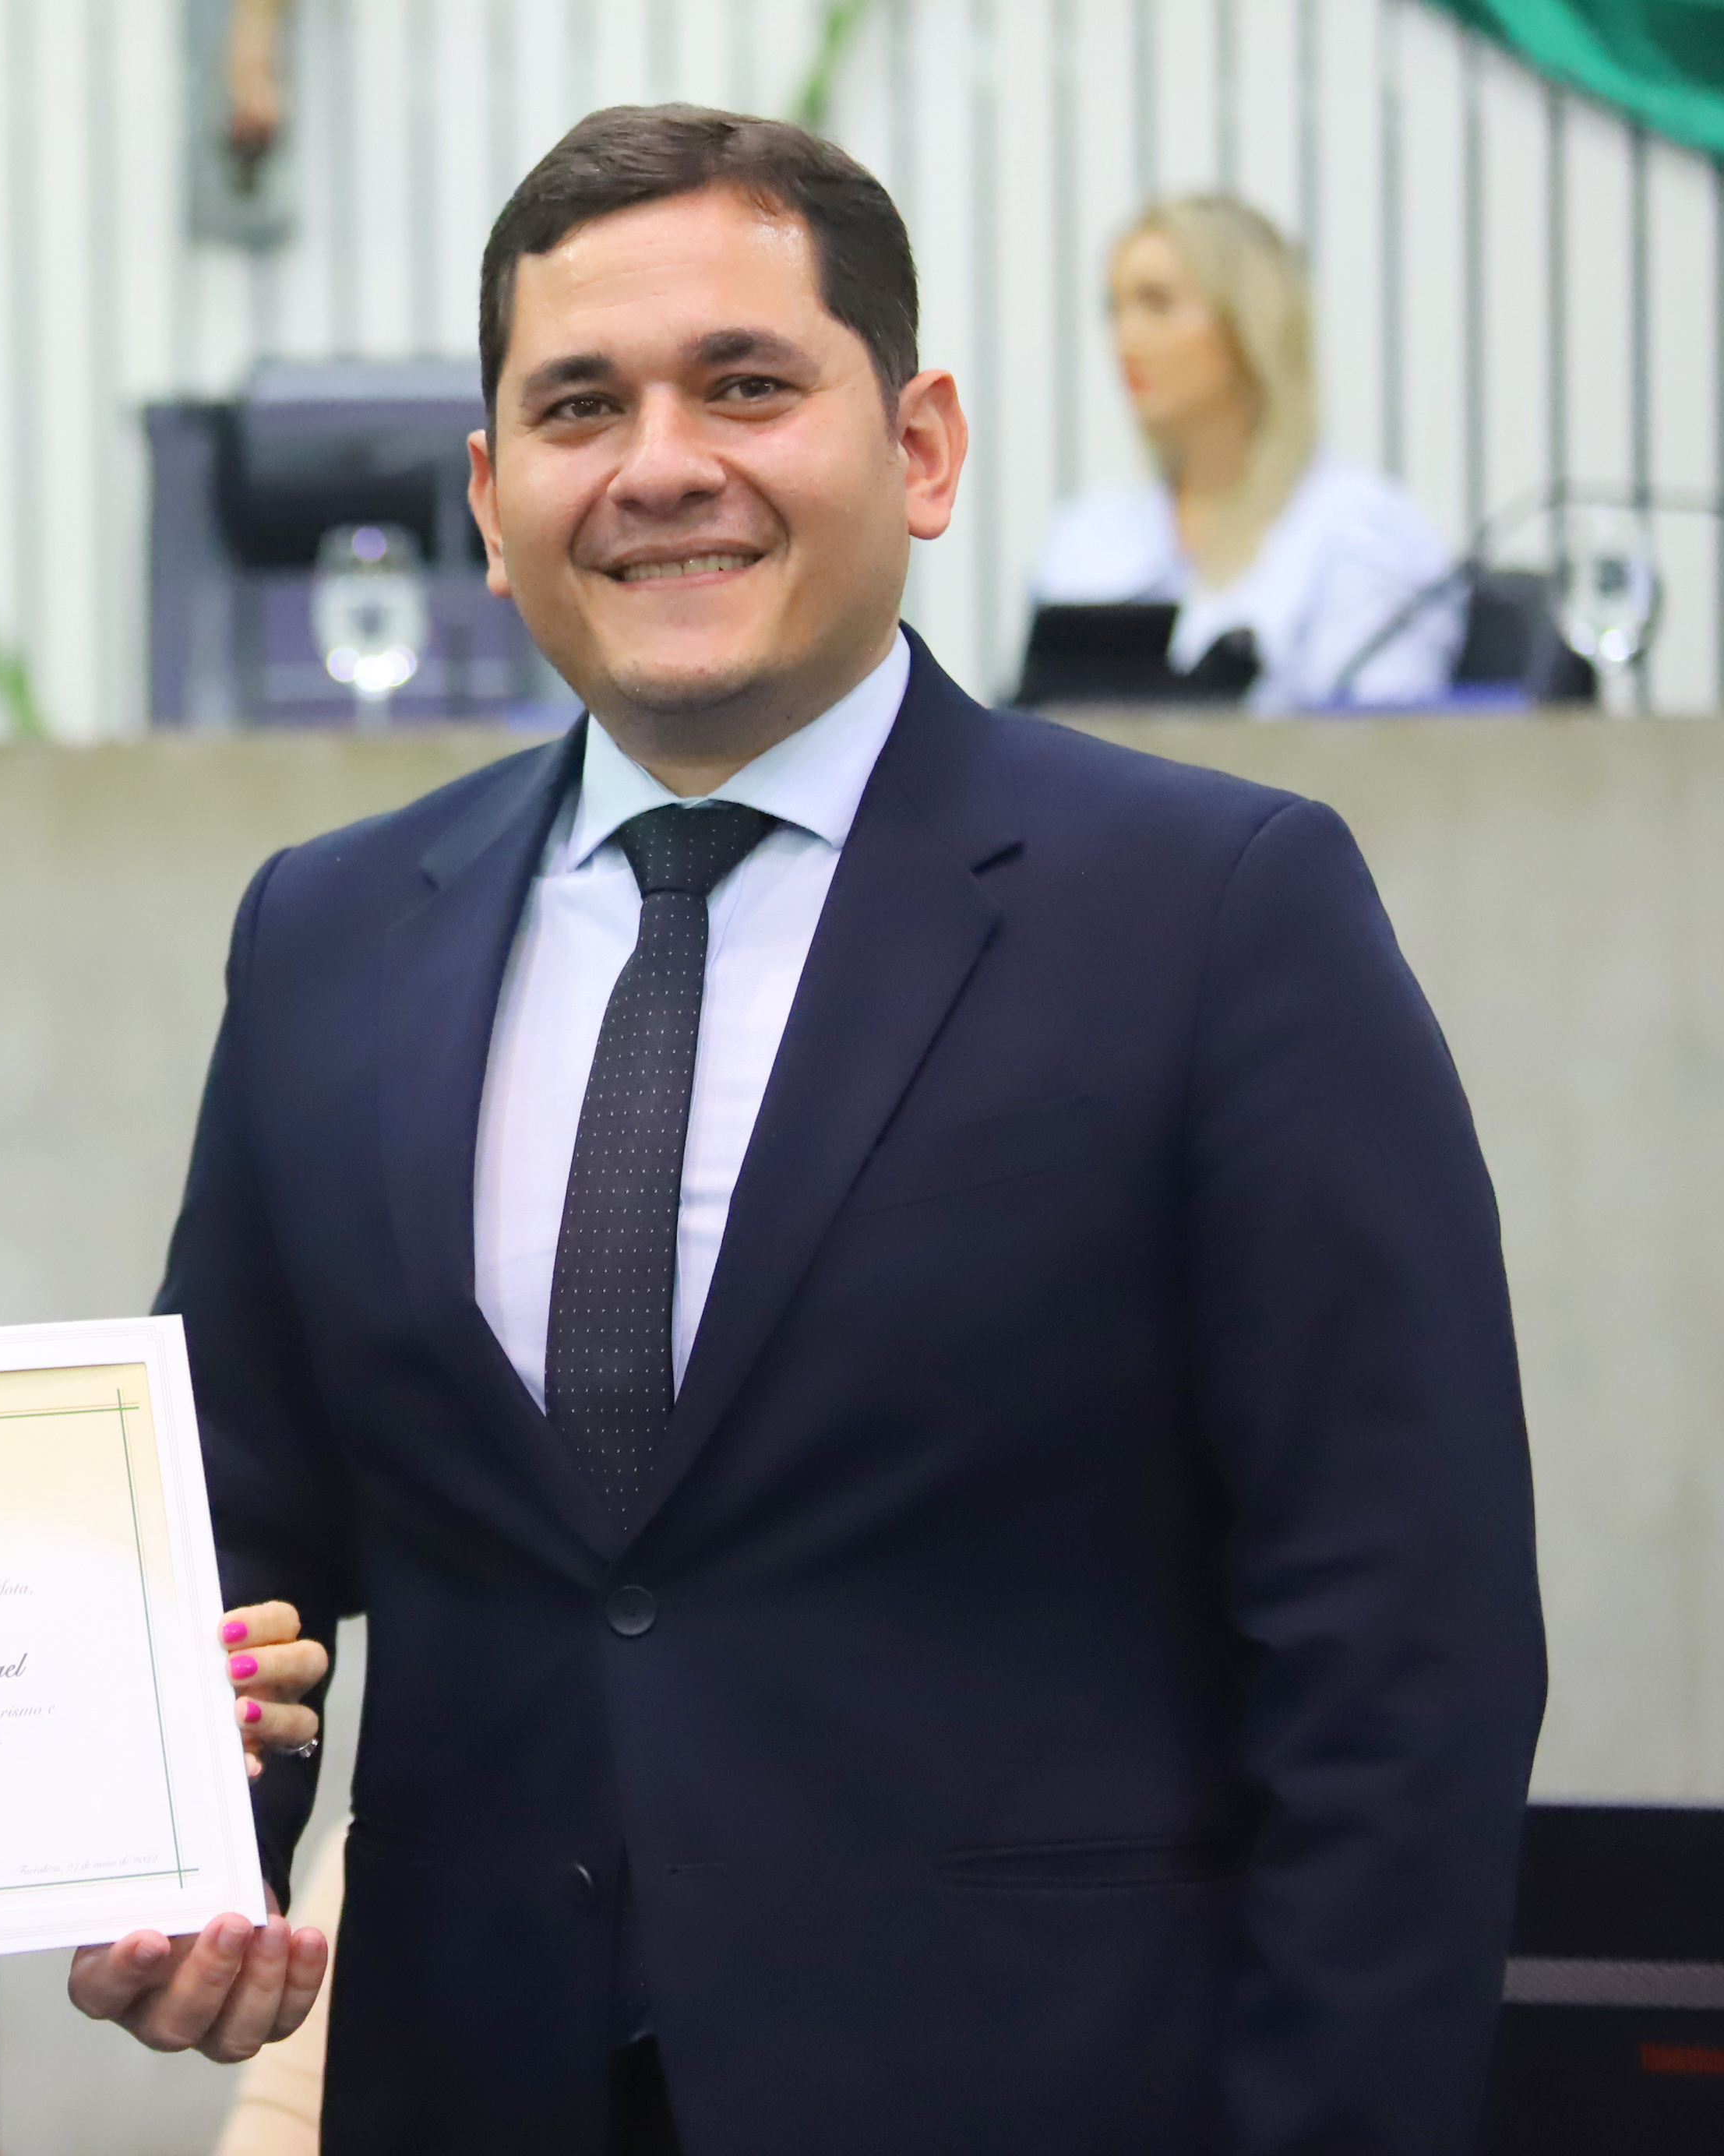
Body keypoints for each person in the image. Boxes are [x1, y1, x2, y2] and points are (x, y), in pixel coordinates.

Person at [79, 105, 1544, 2154]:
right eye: (580, 406)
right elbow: (234, 1523)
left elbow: (1400, 1645)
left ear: (921, 449)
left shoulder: (1217, 915)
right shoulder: (327, 934)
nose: (661, 462)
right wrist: (182, 1850)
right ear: (492, 501)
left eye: (746, 385)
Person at [1029, 196, 1461, 710]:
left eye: (1157, 304)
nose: (1125, 340)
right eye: (1114, 309)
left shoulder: (1365, 534)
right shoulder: (1084, 539)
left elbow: (1391, 747)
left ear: (1249, 323)